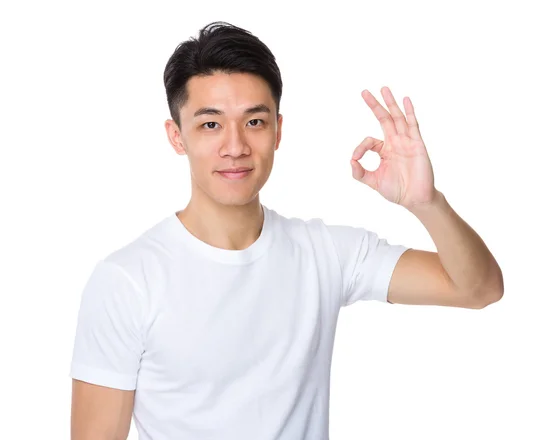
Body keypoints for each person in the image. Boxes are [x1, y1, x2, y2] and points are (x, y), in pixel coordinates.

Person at [69, 21, 503, 440]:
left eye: (255, 121)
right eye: (210, 124)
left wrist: (427, 204)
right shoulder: (126, 280)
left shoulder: (327, 254)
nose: (235, 146)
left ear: (278, 130)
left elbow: (478, 289)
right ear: (177, 136)